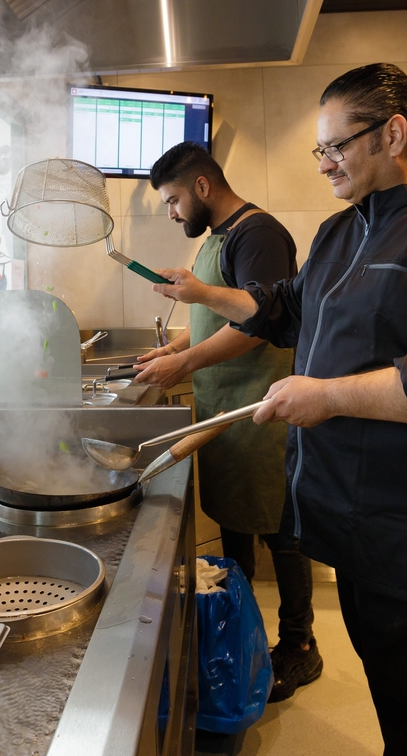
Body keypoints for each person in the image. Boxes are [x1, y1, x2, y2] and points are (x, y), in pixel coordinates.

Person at [152, 63, 407, 755]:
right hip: (358, 537)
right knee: (395, 709)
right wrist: (204, 297)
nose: (323, 163)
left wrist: (326, 395)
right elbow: (279, 310)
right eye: (319, 150)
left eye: (335, 146)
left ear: (392, 134)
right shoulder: (339, 234)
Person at [135, 142, 322, 703]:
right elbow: (222, 312)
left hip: (262, 412)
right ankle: (242, 635)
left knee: (281, 533)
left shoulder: (257, 234)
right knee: (239, 527)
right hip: (228, 412)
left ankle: (300, 647)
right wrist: (177, 343)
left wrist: (185, 363)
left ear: (201, 188)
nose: (171, 214)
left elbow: (258, 325)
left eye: (172, 201)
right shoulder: (218, 238)